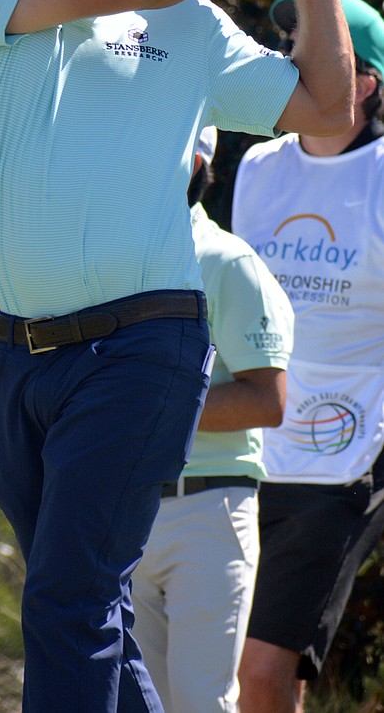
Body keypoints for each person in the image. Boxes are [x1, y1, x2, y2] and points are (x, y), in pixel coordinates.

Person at [0, 0, 353, 713]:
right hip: (23, 357)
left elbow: (327, 108)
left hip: (144, 346)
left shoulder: (191, 29)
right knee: (88, 604)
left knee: (67, 594)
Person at [232, 0, 384, 713]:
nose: (293, 62)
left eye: (314, 51)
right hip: (246, 448)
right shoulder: (257, 166)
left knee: (261, 672)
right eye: (290, 45)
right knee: (237, 669)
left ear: (364, 83)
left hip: (345, 456)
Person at [131, 125, 294, 713]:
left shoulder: (230, 263)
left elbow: (266, 401)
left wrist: (146, 406)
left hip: (209, 510)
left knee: (202, 703)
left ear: (201, 162)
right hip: (128, 508)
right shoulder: (115, 260)